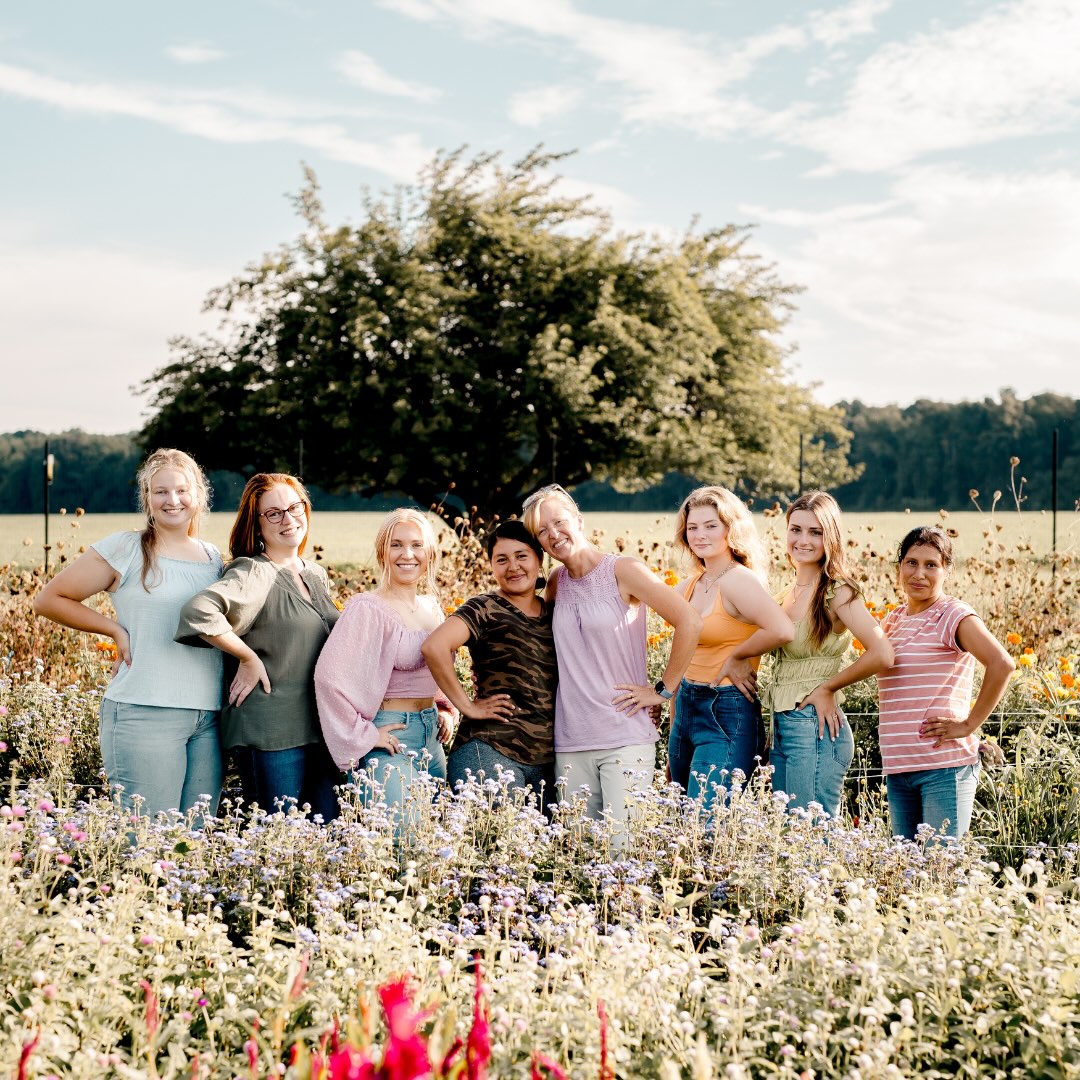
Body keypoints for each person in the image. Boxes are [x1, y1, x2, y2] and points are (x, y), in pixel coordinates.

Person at [33, 448, 224, 817]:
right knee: (147, 841)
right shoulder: (127, 547)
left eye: (182, 490)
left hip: (209, 715)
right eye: (160, 491)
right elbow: (49, 599)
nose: (173, 500)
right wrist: (114, 630)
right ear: (147, 498)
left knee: (195, 845)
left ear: (198, 494)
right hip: (145, 710)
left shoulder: (213, 557)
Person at [522, 484, 702, 833]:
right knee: (579, 853)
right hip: (570, 740)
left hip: (624, 734)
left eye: (559, 522)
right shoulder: (557, 582)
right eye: (542, 531)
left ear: (578, 519)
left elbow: (689, 621)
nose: (553, 534)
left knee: (623, 851)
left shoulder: (623, 570)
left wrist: (662, 690)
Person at [175, 473, 342, 822]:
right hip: (271, 733)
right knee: (276, 842)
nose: (288, 518)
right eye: (274, 513)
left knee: (326, 839)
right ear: (257, 523)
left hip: (320, 730)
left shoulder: (314, 573)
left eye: (294, 507)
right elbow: (199, 611)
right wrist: (246, 657)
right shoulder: (254, 570)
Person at [877, 525, 1015, 840]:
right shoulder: (893, 620)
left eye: (931, 565)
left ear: (947, 570)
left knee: (942, 871)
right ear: (899, 566)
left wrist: (968, 724)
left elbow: (1001, 664)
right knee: (906, 873)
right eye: (911, 562)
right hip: (899, 768)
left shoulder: (952, 615)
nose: (919, 573)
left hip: (944, 767)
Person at [314, 508, 455, 814]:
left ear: (430, 553)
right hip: (390, 736)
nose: (408, 554)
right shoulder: (367, 609)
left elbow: (439, 668)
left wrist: (444, 708)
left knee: (434, 842)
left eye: (417, 545)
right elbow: (328, 679)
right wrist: (363, 735)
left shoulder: (433, 608)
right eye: (396, 544)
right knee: (404, 838)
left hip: (431, 736)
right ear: (382, 551)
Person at [764, 491, 893, 817]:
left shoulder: (838, 591)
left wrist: (828, 688)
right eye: (796, 529)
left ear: (830, 537)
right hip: (783, 726)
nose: (802, 540)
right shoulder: (786, 592)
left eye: (815, 532)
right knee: (791, 840)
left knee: (811, 840)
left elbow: (882, 653)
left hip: (815, 729)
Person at [667, 486, 794, 808]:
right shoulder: (695, 583)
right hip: (685, 706)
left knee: (705, 822)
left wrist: (740, 655)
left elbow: (782, 629)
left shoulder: (738, 580)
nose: (699, 535)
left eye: (711, 525)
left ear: (731, 528)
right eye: (692, 527)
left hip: (725, 709)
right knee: (679, 819)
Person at [422, 520, 557, 808]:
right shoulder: (483, 608)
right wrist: (467, 706)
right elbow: (434, 647)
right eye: (502, 559)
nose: (513, 567)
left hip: (549, 761)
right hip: (490, 750)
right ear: (492, 566)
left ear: (539, 558)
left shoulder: (555, 611)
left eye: (522, 556)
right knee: (499, 843)